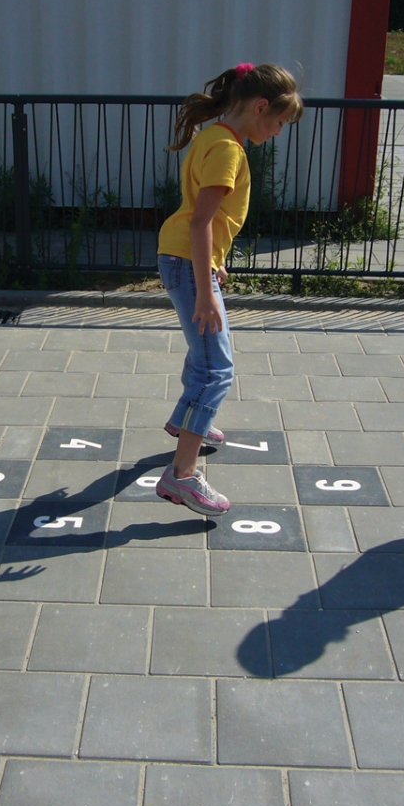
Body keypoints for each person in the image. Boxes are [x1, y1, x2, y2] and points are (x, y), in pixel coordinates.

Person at [154, 63, 303, 515]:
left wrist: (212, 265)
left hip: (182, 256)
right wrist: (203, 290)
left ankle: (185, 422)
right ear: (260, 108)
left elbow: (206, 223)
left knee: (205, 357)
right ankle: (181, 477)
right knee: (216, 369)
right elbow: (200, 221)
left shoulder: (214, 134)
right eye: (279, 122)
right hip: (185, 261)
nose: (278, 132)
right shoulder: (229, 152)